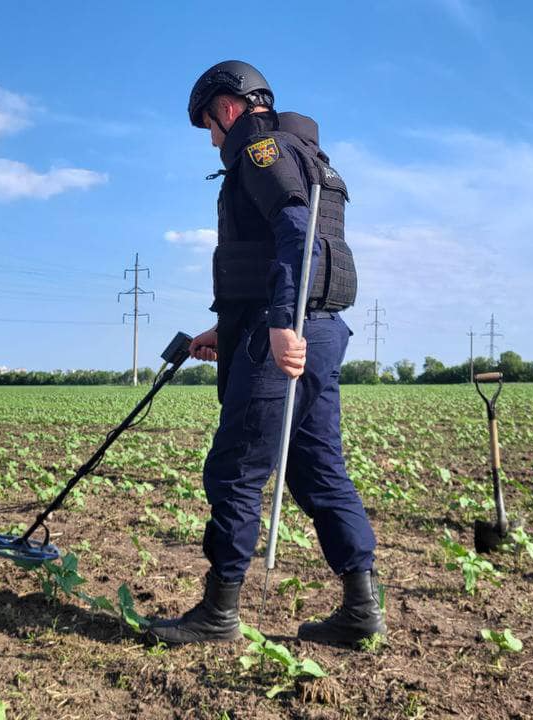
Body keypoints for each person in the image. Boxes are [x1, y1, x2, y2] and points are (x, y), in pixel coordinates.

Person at [146, 61, 384, 648]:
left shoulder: (261, 147)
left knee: (236, 469)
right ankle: (360, 610)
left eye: (208, 124)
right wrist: (227, 330)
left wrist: (280, 323)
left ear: (228, 108)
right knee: (317, 467)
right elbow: (282, 254)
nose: (210, 138)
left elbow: (297, 233)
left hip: (286, 335)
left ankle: (218, 614)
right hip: (320, 331)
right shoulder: (309, 155)